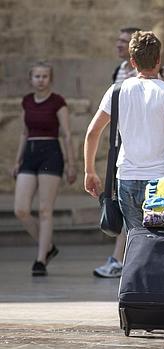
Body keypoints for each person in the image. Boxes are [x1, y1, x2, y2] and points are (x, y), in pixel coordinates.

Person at [84, 31, 164, 242]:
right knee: (161, 242)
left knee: (136, 240)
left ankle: (134, 275)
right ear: (159, 60)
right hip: (162, 180)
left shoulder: (117, 91)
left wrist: (89, 171)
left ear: (132, 61)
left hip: (127, 178)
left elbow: (93, 132)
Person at [12, 61, 77, 276]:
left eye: (45, 76)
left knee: (44, 210)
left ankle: (40, 259)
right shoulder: (27, 101)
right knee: (21, 209)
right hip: (30, 153)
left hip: (51, 152)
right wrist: (17, 160)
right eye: (37, 76)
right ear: (30, 79)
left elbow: (66, 134)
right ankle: (48, 246)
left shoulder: (58, 102)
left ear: (51, 79)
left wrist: (72, 164)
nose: (40, 80)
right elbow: (23, 132)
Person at [93, 26, 141, 278]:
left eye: (124, 41)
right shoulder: (119, 71)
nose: (118, 44)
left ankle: (119, 258)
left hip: (135, 144)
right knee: (118, 200)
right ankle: (120, 258)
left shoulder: (139, 73)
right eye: (118, 40)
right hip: (119, 142)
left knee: (126, 202)